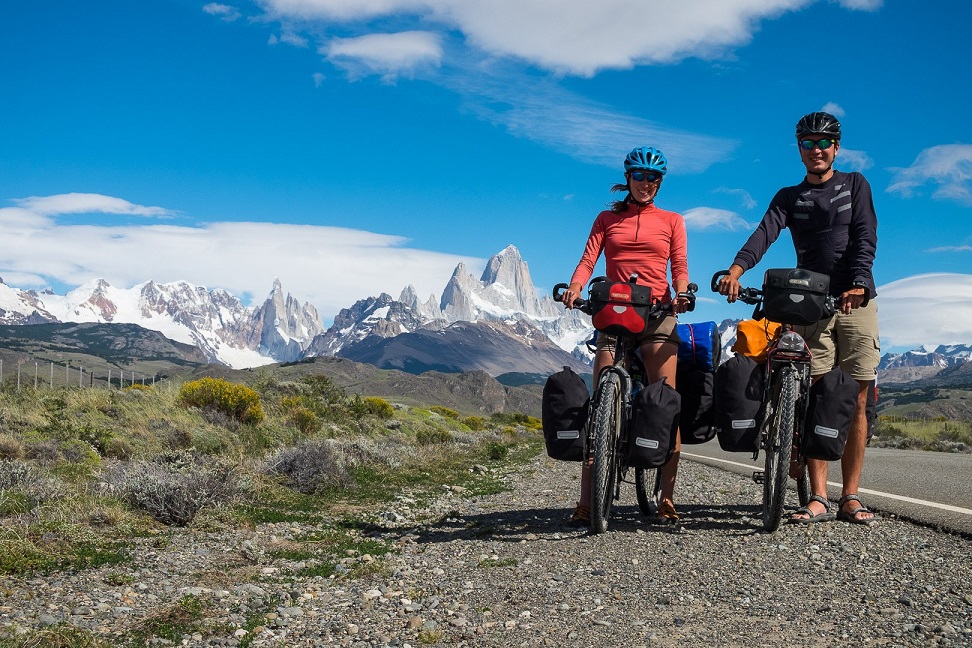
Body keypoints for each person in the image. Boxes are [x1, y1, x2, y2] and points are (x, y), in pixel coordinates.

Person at [717, 111, 879, 525]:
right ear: (799, 149)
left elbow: (865, 235)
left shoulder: (855, 184)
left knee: (858, 399)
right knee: (817, 398)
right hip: (811, 302)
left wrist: (859, 282)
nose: (816, 150)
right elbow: (764, 233)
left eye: (823, 143)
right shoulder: (790, 196)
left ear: (836, 148)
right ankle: (819, 497)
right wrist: (736, 270)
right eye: (808, 143)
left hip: (856, 301)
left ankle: (851, 496)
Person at [561, 145, 691, 526]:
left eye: (652, 178)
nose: (645, 183)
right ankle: (587, 502)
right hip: (615, 311)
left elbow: (679, 265)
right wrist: (575, 287)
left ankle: (666, 499)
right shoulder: (606, 219)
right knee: (599, 400)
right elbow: (588, 259)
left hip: (657, 314)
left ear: (659, 183)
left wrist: (682, 292)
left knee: (666, 402)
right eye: (639, 176)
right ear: (628, 178)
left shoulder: (672, 221)